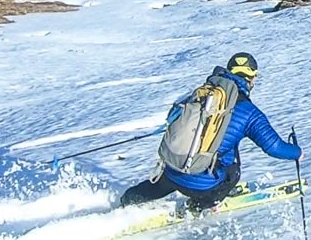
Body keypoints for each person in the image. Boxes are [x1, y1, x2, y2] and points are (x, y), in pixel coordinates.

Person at [119, 52, 301, 210]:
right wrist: (297, 153)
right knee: (233, 171)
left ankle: (127, 200)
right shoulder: (249, 112)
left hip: (172, 168)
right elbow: (274, 147)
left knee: (161, 185)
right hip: (202, 184)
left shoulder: (204, 93)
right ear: (251, 79)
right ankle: (199, 207)